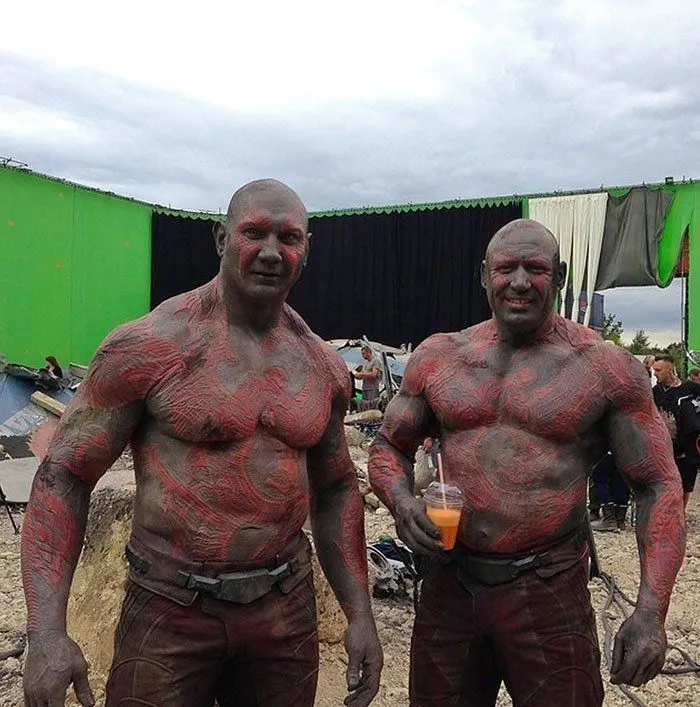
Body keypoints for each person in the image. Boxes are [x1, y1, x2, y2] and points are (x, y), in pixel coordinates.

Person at [21, 179, 382, 707]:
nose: (271, 252)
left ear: (307, 249)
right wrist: (46, 633)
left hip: (284, 606)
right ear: (220, 239)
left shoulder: (321, 365)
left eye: (289, 237)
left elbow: (336, 489)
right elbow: (64, 476)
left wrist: (360, 614)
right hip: (170, 605)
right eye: (254, 233)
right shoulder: (151, 345)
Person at [368, 218, 686, 706]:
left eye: (534, 268)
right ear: (484, 275)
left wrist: (650, 610)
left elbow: (658, 485)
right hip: (451, 585)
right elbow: (389, 446)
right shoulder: (440, 358)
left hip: (548, 587)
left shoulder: (603, 368)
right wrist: (402, 502)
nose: (519, 282)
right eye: (506, 268)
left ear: (558, 276)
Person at [652, 354, 700, 512]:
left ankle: (680, 513)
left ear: (669, 370)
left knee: (685, 481)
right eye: (654, 370)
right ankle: (665, 512)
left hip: (686, 444)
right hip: (664, 444)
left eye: (658, 370)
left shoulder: (690, 388)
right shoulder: (656, 391)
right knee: (664, 481)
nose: (655, 374)